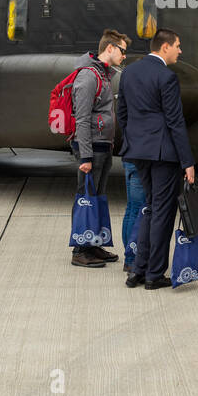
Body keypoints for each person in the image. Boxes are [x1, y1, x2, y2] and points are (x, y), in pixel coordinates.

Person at [118, 28, 196, 290]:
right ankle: (153, 275)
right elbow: (175, 122)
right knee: (162, 212)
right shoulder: (167, 77)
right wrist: (188, 162)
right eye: (177, 45)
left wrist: (135, 142)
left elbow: (123, 114)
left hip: (138, 151)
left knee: (150, 208)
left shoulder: (129, 72)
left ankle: (138, 271)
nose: (180, 50)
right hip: (163, 154)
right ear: (165, 47)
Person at [69, 29, 130, 268]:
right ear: (110, 48)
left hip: (102, 146)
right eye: (122, 51)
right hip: (90, 147)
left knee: (97, 196)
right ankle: (80, 250)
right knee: (86, 196)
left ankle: (93, 244)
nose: (124, 56)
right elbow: (81, 118)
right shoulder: (88, 76)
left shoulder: (103, 75)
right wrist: (85, 155)